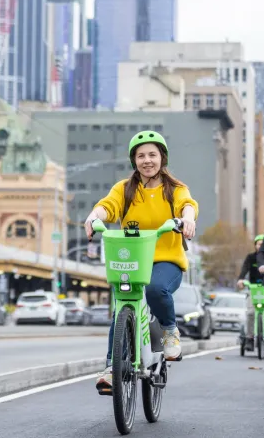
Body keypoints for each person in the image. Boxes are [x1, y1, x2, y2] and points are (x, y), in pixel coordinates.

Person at [84, 131, 198, 394]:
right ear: (134, 160)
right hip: (131, 261)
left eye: (152, 155)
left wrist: (187, 219)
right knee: (121, 307)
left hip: (166, 261)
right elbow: (107, 206)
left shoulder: (176, 189)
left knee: (155, 289)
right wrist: (93, 216)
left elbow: (187, 205)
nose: (147, 160)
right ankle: (112, 369)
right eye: (141, 155)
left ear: (162, 158)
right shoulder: (124, 189)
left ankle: (170, 331)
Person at [236, 235, 264, 350]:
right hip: (253, 289)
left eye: (263, 243)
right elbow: (244, 269)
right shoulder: (251, 257)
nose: (261, 246)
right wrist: (241, 279)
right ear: (255, 245)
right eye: (259, 243)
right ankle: (249, 338)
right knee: (250, 313)